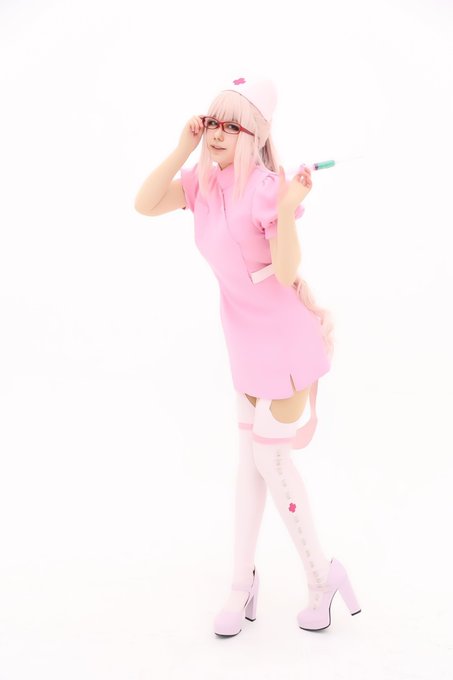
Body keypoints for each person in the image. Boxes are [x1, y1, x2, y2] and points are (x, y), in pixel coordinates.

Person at [134, 76, 361, 637]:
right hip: (244, 345)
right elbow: (144, 203)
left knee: (272, 463)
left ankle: (322, 576)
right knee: (248, 467)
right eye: (213, 121)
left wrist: (287, 207)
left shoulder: (265, 188)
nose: (218, 133)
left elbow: (284, 272)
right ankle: (242, 586)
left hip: (286, 346)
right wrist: (183, 147)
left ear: (255, 134)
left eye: (231, 125)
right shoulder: (203, 184)